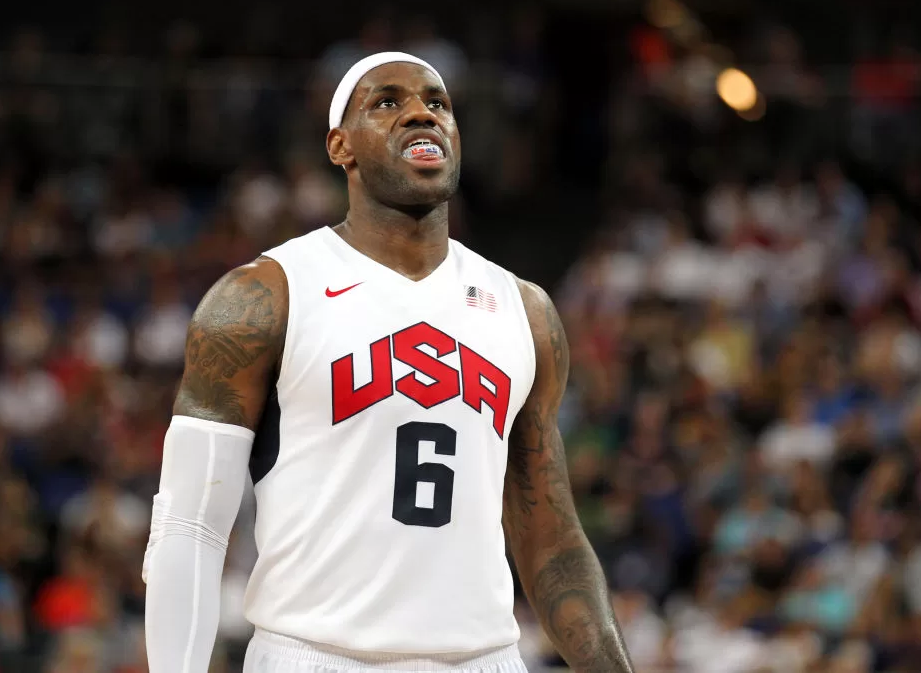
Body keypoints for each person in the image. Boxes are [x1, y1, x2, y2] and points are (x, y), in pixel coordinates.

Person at [141, 51, 633, 673]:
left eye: (437, 103)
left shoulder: (523, 309)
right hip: (316, 654)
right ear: (340, 146)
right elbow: (190, 525)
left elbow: (552, 542)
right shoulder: (264, 295)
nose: (419, 115)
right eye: (387, 102)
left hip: (485, 657)